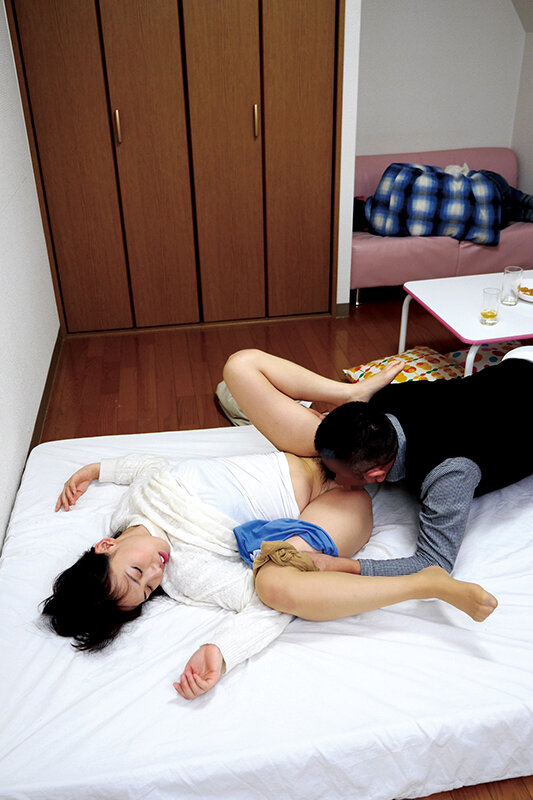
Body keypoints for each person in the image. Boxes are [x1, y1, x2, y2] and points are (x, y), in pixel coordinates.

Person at [47, 365, 497, 700]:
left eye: (135, 572)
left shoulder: (134, 503)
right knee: (275, 585)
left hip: (315, 448)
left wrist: (97, 469)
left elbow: (146, 467)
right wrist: (223, 650)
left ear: (107, 545)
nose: (154, 574)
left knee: (240, 366)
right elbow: (263, 605)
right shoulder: (187, 573)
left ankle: (352, 391)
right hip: (331, 506)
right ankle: (421, 583)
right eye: (148, 590)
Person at [222, 346, 533, 581]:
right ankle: (348, 391)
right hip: (517, 362)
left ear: (377, 474)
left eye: (339, 475)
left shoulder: (449, 473)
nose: (333, 478)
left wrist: (346, 566)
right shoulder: (380, 402)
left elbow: (434, 564)